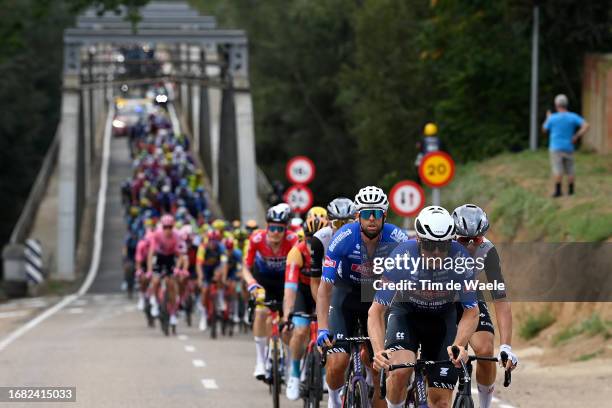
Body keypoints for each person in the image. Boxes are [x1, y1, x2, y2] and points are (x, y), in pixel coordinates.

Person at [369, 206, 479, 408]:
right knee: (400, 372)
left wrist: (460, 345)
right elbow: (376, 310)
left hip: (442, 320)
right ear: (418, 240)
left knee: (441, 402)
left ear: (451, 242)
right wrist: (377, 351)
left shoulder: (462, 259)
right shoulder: (401, 257)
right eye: (430, 245)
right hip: (407, 316)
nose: (436, 253)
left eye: (443, 246)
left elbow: (472, 312)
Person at [316, 186, 409, 408]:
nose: (372, 219)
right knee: (338, 362)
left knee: (380, 366)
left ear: (384, 215)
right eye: (366, 213)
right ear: (358, 215)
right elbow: (325, 287)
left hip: (378, 297)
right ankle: (334, 399)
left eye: (377, 213)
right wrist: (321, 327)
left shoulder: (397, 238)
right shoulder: (343, 237)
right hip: (345, 295)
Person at [452, 204, 518, 408]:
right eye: (464, 240)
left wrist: (506, 345)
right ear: (452, 236)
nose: (471, 246)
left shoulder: (488, 250)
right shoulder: (439, 245)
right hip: (437, 298)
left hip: (469, 296)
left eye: (477, 239)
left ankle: (485, 405)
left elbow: (500, 300)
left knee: (485, 348)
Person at [242, 205, 298, 379]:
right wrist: (251, 283)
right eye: (271, 228)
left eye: (279, 229)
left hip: (285, 282)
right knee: (260, 312)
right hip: (263, 281)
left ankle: (289, 364)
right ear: (267, 227)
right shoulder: (256, 238)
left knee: (287, 324)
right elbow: (245, 267)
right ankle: (260, 360)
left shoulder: (293, 240)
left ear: (285, 229)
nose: (275, 232)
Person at [282, 207, 329, 400]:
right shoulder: (297, 252)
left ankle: (325, 373)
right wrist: (287, 315)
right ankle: (294, 374)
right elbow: (290, 288)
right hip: (303, 291)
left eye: (316, 238)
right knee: (300, 330)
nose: (312, 244)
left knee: (327, 332)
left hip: (323, 291)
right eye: (309, 238)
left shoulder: (332, 247)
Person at [542, 94, 590, 197]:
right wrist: (577, 136)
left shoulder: (553, 118)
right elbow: (586, 125)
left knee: (558, 169)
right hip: (569, 146)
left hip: (556, 148)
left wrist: (548, 118)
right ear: (566, 104)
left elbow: (544, 129)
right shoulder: (572, 116)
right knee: (570, 169)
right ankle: (571, 191)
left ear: (556, 105)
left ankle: (558, 191)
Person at [310, 197, 356, 299]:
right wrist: (322, 311)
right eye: (338, 224)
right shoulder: (319, 239)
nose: (344, 229)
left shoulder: (366, 238)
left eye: (348, 223)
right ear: (329, 223)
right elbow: (315, 281)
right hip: (331, 288)